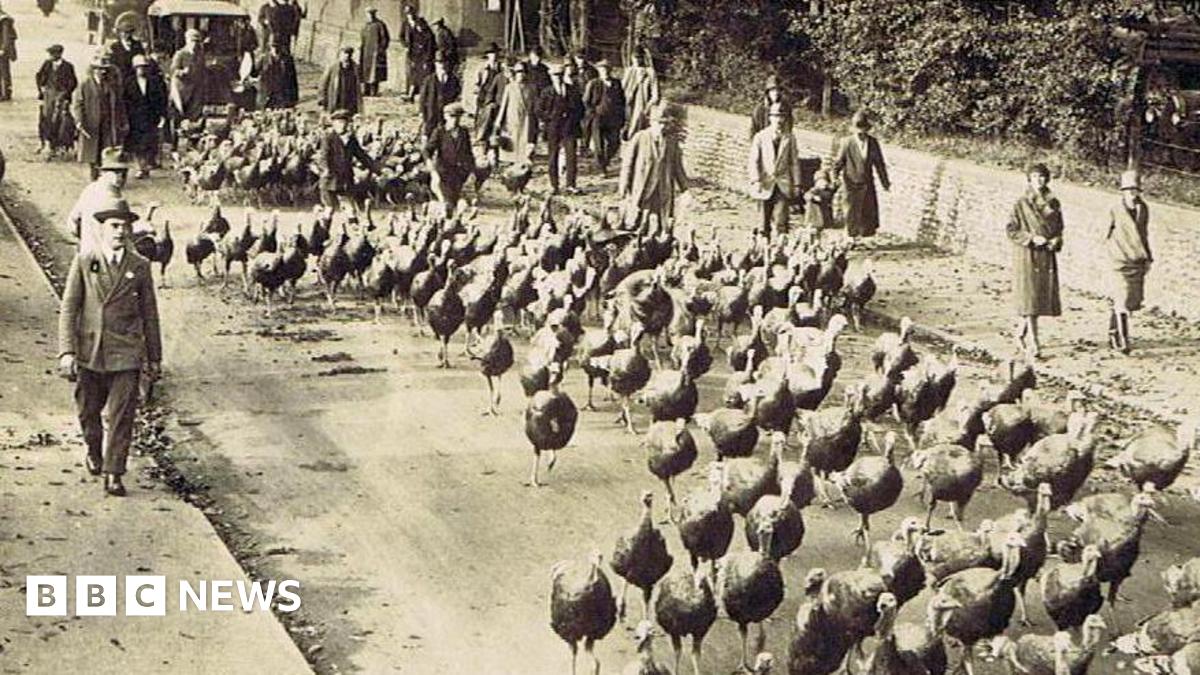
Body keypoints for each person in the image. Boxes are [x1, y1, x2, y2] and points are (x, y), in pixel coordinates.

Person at [58, 196, 161, 498]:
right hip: (90, 351)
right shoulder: (84, 261)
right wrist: (66, 351)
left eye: (125, 227)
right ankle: (94, 451)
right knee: (88, 413)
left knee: (121, 415)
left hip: (125, 352)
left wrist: (154, 357)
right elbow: (69, 307)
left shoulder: (139, 266)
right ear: (102, 229)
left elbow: (150, 313)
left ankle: (114, 472)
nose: (120, 232)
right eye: (114, 226)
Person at [1006, 162, 1063, 359]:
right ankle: (1034, 342)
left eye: (1042, 177)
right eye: (1035, 177)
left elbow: (1059, 227)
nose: (1039, 181)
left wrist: (1056, 239)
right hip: (1027, 256)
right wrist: (1031, 238)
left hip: (1046, 255)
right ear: (1029, 180)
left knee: (1037, 298)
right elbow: (1011, 230)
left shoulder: (1054, 203)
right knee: (1029, 298)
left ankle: (1019, 334)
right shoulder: (1021, 203)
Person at [1104, 169, 1152, 354]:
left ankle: (1112, 331)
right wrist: (1112, 252)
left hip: (1137, 260)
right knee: (1122, 298)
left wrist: (1148, 256)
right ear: (1123, 191)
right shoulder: (1114, 209)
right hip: (1119, 259)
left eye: (1136, 190)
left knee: (1132, 300)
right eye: (1129, 190)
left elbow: (1144, 235)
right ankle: (1123, 341)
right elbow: (1104, 233)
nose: (1133, 193)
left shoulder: (1143, 209)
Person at [619, 104, 688, 228]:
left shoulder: (672, 142)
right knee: (637, 219)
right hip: (642, 186)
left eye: (665, 124)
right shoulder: (640, 138)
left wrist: (685, 189)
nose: (662, 127)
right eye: (659, 123)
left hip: (662, 188)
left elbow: (678, 168)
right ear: (651, 123)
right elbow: (627, 164)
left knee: (661, 221)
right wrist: (624, 186)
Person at [832, 110, 890, 245]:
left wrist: (885, 182)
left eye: (863, 130)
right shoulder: (846, 142)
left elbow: (879, 164)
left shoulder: (873, 143)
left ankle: (866, 238)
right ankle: (851, 237)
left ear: (867, 129)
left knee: (868, 209)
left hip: (867, 182)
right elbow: (838, 162)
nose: (861, 133)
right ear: (853, 129)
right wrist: (834, 176)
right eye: (858, 130)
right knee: (851, 210)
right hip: (851, 182)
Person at [747, 102, 801, 239]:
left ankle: (779, 251)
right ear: (770, 117)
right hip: (765, 183)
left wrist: (796, 184)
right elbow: (754, 160)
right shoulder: (760, 136)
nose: (779, 120)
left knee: (781, 221)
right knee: (763, 223)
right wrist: (756, 180)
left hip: (783, 183)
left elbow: (794, 162)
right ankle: (762, 250)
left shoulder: (790, 138)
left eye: (781, 117)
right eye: (775, 116)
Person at [73, 56, 128, 179]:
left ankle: (106, 175)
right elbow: (78, 104)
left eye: (104, 69)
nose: (102, 72)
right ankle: (94, 174)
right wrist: (79, 121)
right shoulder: (85, 84)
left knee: (107, 148)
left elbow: (119, 104)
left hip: (109, 122)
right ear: (93, 70)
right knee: (93, 149)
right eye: (99, 69)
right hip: (92, 122)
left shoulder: (112, 85)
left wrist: (123, 121)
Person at [68, 147, 128, 252]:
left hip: (86, 252)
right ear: (103, 173)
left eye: (123, 173)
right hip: (106, 256)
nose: (121, 178)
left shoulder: (90, 189)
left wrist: (84, 239)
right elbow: (125, 233)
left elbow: (72, 223)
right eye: (116, 172)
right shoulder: (118, 201)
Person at [537, 64, 583, 195]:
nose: (557, 78)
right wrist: (550, 118)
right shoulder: (547, 92)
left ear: (564, 76)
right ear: (551, 77)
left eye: (560, 75)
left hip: (570, 128)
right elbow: (539, 110)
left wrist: (572, 118)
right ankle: (554, 185)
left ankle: (571, 184)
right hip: (553, 128)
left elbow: (581, 109)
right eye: (555, 76)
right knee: (553, 156)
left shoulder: (573, 91)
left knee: (571, 156)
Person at [318, 109, 376, 213]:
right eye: (339, 122)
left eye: (345, 122)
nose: (342, 125)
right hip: (330, 179)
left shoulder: (351, 139)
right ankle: (321, 228)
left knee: (350, 208)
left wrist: (376, 169)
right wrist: (325, 169)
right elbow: (323, 156)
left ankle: (356, 227)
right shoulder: (328, 138)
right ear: (333, 124)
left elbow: (362, 156)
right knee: (329, 209)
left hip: (345, 179)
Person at [425, 102, 475, 218]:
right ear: (445, 116)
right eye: (452, 117)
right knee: (447, 202)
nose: (455, 120)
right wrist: (431, 166)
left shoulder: (464, 132)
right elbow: (427, 150)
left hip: (459, 173)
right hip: (444, 173)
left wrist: (471, 171)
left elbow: (468, 153)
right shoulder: (439, 132)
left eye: (458, 117)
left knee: (457, 202)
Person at [123, 55, 167, 179]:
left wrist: (162, 116)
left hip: (151, 118)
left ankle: (146, 165)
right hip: (134, 118)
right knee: (136, 144)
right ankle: (140, 167)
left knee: (149, 143)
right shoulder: (128, 82)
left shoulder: (155, 82)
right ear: (135, 68)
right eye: (139, 67)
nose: (141, 70)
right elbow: (124, 101)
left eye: (144, 67)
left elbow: (161, 100)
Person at [583, 59, 624, 175]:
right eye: (602, 69)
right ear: (599, 71)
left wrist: (622, 117)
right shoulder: (593, 83)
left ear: (610, 70)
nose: (605, 72)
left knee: (615, 143)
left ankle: (605, 161)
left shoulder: (617, 83)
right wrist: (593, 113)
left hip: (613, 118)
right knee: (599, 144)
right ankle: (601, 168)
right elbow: (586, 101)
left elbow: (621, 101)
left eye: (607, 69)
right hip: (598, 118)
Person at [36, 44, 77, 158]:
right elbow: (39, 76)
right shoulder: (47, 64)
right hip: (49, 95)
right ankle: (46, 142)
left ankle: (60, 144)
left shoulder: (68, 66)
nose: (50, 56)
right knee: (46, 118)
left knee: (61, 120)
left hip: (61, 96)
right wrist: (41, 88)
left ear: (59, 54)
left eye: (53, 54)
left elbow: (73, 82)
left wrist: (66, 94)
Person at [493, 62, 537, 163]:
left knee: (523, 141)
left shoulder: (531, 88)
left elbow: (535, 105)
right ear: (515, 73)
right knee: (511, 141)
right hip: (512, 118)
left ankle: (521, 160)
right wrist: (499, 121)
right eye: (518, 72)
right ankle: (510, 161)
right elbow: (503, 105)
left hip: (525, 120)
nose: (520, 74)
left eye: (523, 72)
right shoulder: (509, 87)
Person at [418, 53, 461, 140]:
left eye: (444, 63)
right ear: (435, 64)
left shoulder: (453, 79)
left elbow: (457, 94)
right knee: (429, 133)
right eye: (439, 63)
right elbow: (423, 98)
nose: (442, 65)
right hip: (432, 111)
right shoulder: (429, 80)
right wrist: (421, 111)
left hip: (446, 112)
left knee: (445, 134)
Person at [169, 29, 207, 123]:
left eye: (197, 41)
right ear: (187, 40)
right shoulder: (180, 54)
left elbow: (202, 69)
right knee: (180, 113)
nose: (194, 44)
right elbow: (173, 70)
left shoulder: (200, 54)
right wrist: (181, 72)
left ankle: (193, 131)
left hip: (197, 88)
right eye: (192, 41)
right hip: (183, 89)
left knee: (195, 114)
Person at [621, 47, 659, 141]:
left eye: (639, 57)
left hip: (642, 104)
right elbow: (622, 89)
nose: (637, 60)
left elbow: (655, 94)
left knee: (637, 127)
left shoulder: (650, 72)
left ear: (643, 58)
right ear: (631, 58)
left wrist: (649, 106)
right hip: (628, 104)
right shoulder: (629, 71)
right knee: (625, 126)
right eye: (635, 57)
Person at [399, 5, 434, 101]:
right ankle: (410, 94)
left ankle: (417, 94)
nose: (409, 15)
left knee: (420, 74)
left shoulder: (421, 22)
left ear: (414, 13)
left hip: (422, 53)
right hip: (411, 52)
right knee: (411, 73)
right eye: (407, 14)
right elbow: (401, 36)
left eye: (410, 13)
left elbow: (428, 37)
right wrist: (405, 45)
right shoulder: (405, 24)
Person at [473, 42, 504, 143]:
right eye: (491, 53)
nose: (493, 56)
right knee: (481, 117)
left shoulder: (501, 68)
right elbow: (477, 83)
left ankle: (493, 138)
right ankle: (479, 137)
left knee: (495, 117)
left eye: (495, 53)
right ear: (487, 55)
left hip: (496, 95)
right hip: (484, 94)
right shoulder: (482, 68)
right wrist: (478, 91)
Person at [255, 36, 298, 109]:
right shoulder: (263, 59)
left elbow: (292, 80)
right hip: (266, 95)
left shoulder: (287, 60)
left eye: (278, 46)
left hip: (281, 95)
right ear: (269, 47)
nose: (275, 49)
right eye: (273, 46)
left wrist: (294, 98)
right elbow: (254, 73)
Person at [318, 46, 362, 115]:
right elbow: (323, 84)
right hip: (335, 101)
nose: (346, 56)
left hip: (349, 103)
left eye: (349, 54)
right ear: (340, 54)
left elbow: (357, 88)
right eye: (345, 53)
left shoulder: (355, 68)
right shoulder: (332, 67)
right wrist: (322, 100)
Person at [359, 7, 390, 97]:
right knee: (365, 70)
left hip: (376, 52)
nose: (370, 16)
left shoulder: (380, 25)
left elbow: (385, 39)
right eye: (368, 14)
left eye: (371, 14)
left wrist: (381, 49)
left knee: (375, 72)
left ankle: (374, 91)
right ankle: (366, 90)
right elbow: (363, 38)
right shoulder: (365, 26)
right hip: (366, 52)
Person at [0, 5, 16, 101]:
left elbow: (7, 36)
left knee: (3, 72)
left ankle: (5, 93)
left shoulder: (4, 20)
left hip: (1, 51)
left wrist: (3, 49)